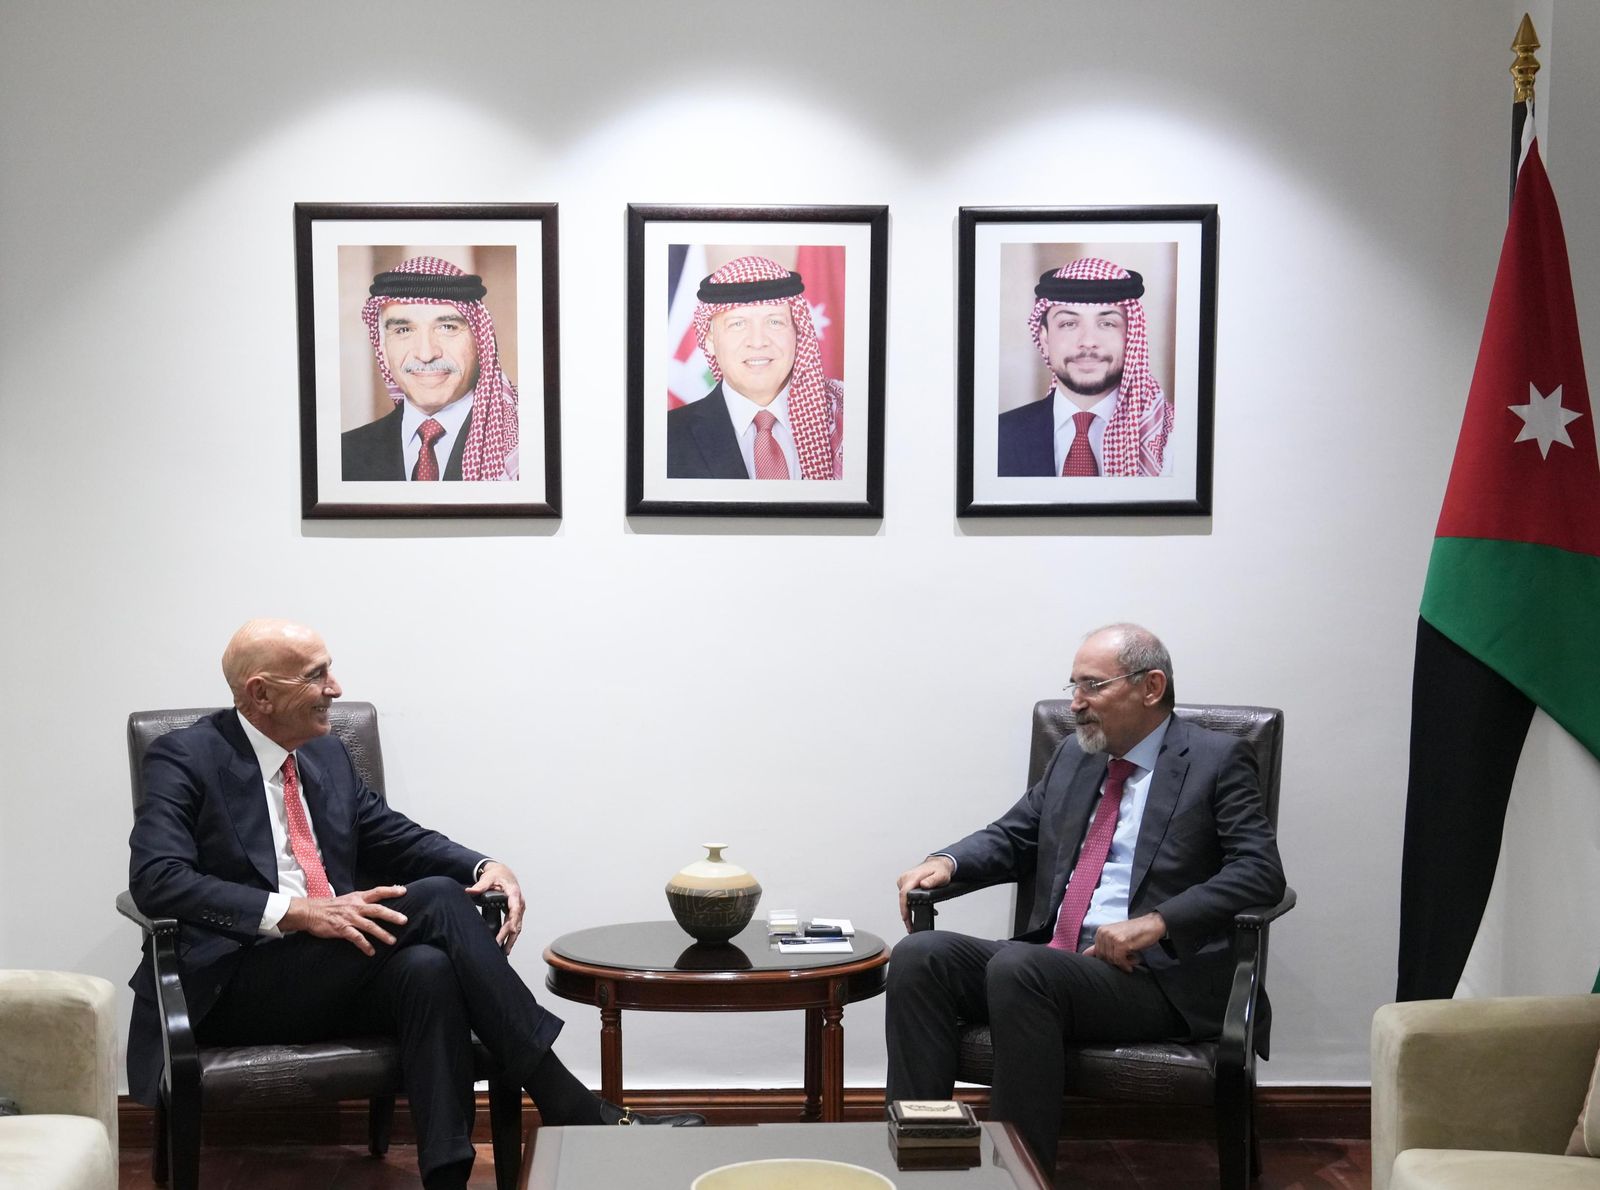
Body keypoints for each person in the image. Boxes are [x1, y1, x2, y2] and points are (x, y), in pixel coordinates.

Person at [126, 619, 701, 1190]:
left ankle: (447, 1177)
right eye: (316, 675)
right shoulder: (187, 757)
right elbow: (156, 879)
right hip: (234, 983)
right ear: (261, 693)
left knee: (428, 969)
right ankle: (568, 1102)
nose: (335, 688)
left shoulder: (325, 756)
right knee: (439, 901)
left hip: (329, 972)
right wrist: (300, 912)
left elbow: (393, 836)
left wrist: (482, 865)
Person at [884, 623, 1285, 1170]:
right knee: (920, 956)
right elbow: (1016, 835)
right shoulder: (1075, 757)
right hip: (1058, 965)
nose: (1075, 702)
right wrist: (946, 862)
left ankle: (1018, 1176)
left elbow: (1260, 871)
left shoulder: (1217, 759)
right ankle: (922, 1164)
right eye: (1074, 685)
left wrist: (1157, 921)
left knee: (1021, 968)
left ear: (1150, 687)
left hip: (1154, 978)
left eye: (1092, 685)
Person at [342, 256, 520, 482]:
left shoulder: (525, 446)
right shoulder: (344, 455)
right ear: (384, 351)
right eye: (403, 330)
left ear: (481, 343)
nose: (426, 354)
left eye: (447, 327)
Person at [667, 255, 844, 480]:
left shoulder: (846, 418)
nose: (758, 341)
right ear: (710, 340)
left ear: (798, 332)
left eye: (774, 322)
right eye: (738, 324)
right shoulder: (666, 437)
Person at [998, 257, 1173, 478]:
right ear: (1044, 338)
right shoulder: (997, 436)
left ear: (1131, 336)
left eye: (1107, 324)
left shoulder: (1172, 439)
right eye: (1069, 324)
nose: (1088, 341)